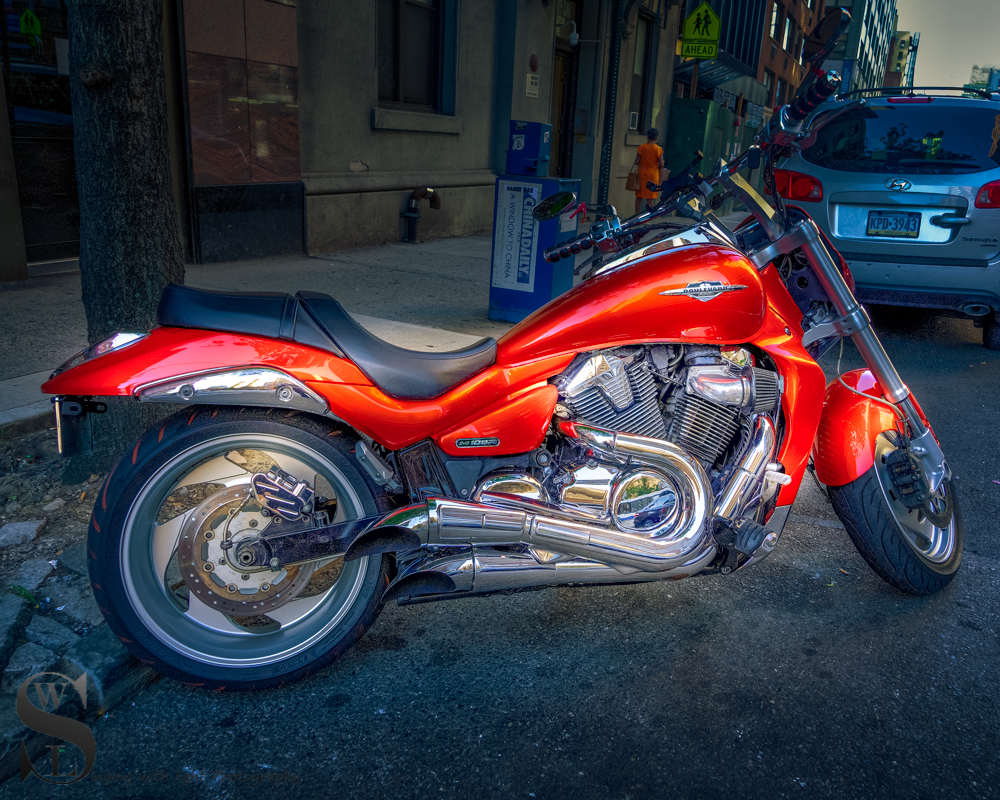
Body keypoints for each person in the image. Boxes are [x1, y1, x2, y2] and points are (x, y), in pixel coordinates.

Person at [633, 127, 666, 215]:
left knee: (639, 197)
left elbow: (636, 162)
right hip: (653, 174)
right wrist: (662, 162)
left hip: (642, 174)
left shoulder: (641, 147)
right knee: (650, 198)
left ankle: (636, 215)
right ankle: (648, 218)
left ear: (647, 136)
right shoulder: (658, 149)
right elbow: (661, 164)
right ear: (656, 138)